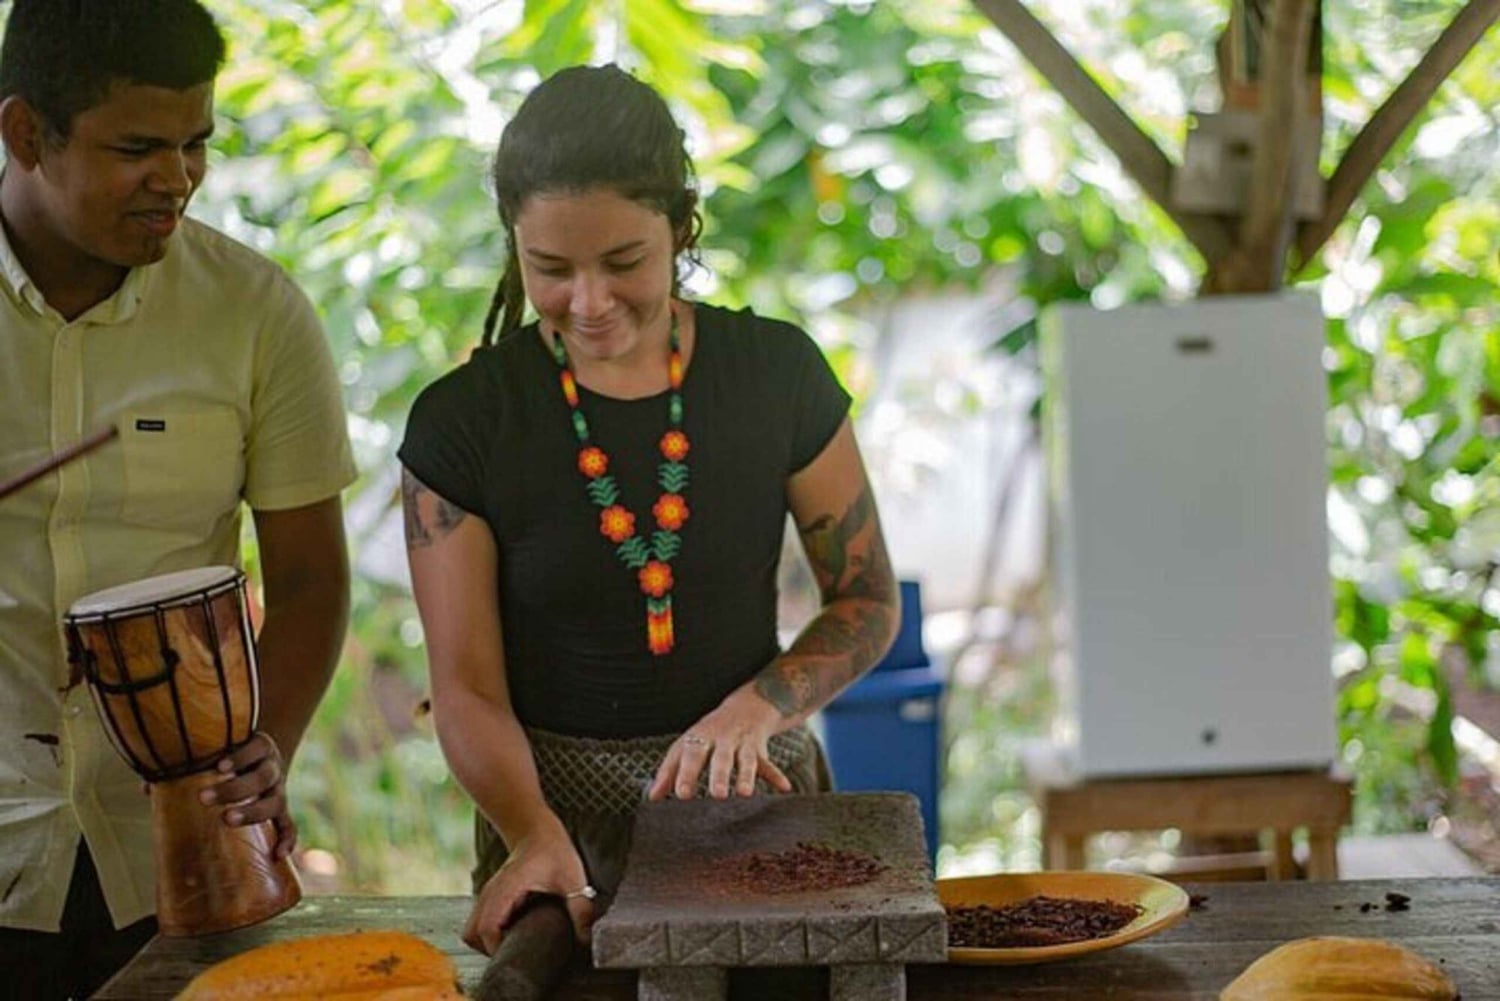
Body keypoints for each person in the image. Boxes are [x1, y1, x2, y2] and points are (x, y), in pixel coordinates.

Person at [400, 63, 900, 958]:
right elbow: (465, 688)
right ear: (514, 241)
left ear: (681, 225)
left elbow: (866, 599)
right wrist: (530, 832)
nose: (589, 303)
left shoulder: (776, 374)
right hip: (553, 836)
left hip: (758, 810)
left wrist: (757, 709)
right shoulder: (463, 421)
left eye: (624, 262)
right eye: (550, 268)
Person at [0, 2, 356, 996]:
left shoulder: (256, 312)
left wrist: (267, 745)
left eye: (195, 143)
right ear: (25, 132)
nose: (178, 178)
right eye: (137, 149)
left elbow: (311, 577)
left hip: (183, 861)